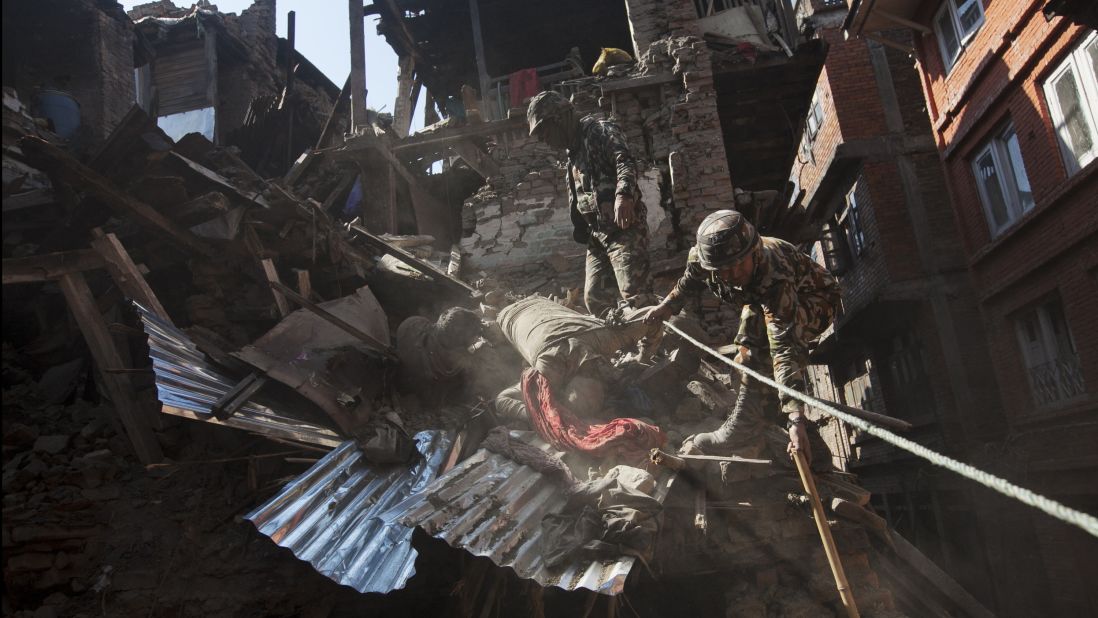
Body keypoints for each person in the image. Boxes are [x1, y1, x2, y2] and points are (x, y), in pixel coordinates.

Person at [643, 210, 841, 464]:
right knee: (745, 363)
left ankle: (745, 426)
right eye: (725, 269)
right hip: (762, 306)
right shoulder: (702, 259)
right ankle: (805, 444)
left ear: (753, 251)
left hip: (816, 301)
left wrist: (796, 415)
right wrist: (666, 307)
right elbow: (689, 282)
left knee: (755, 338)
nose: (734, 273)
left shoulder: (773, 273)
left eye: (740, 263)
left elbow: (784, 346)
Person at [526, 91, 653, 318]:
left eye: (545, 132)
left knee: (635, 294)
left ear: (561, 118)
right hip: (599, 234)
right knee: (595, 298)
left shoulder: (599, 130)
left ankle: (660, 348)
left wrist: (623, 195)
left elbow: (624, 160)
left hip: (624, 229)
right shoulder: (572, 153)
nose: (544, 140)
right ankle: (626, 345)